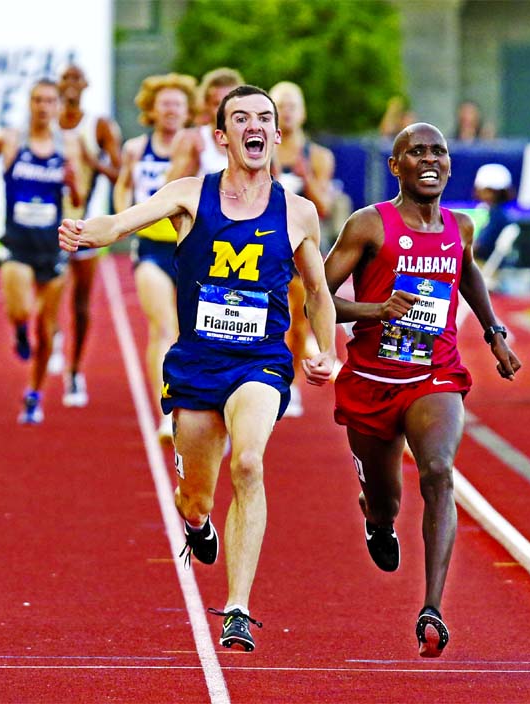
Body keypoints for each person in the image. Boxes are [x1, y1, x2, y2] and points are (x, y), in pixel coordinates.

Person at [59, 85, 337, 651]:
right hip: (196, 364)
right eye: (241, 118)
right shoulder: (191, 193)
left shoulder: (298, 211)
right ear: (222, 137)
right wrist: (95, 230)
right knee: (197, 498)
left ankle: (237, 606)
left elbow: (317, 290)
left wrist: (325, 351)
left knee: (252, 462)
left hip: (260, 362)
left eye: (264, 118)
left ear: (276, 136)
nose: (254, 126)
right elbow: (125, 222)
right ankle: (196, 525)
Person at [323, 122, 521, 658]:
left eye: (439, 151)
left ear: (450, 164)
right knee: (386, 501)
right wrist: (373, 310)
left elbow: (467, 273)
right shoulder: (369, 225)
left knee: (437, 470)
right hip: (371, 379)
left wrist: (494, 333)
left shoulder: (460, 226)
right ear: (397, 166)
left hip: (435, 373)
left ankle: (432, 606)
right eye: (417, 152)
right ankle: (377, 517)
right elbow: (317, 298)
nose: (429, 159)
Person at [0, 78, 83, 424]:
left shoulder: (67, 145)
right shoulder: (10, 140)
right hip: (17, 244)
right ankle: (18, 330)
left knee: (47, 327)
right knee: (21, 310)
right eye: (37, 99)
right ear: (30, 103)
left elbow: (78, 197)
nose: (42, 106)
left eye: (49, 101)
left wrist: (71, 182)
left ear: (57, 107)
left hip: (51, 248)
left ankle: (34, 395)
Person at [113, 73, 198, 440]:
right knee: (163, 329)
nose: (171, 111)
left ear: (187, 110)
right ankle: (165, 413)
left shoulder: (197, 147)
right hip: (151, 247)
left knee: (190, 334)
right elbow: (122, 187)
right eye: (164, 103)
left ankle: (198, 409)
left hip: (191, 248)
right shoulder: (136, 148)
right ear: (152, 108)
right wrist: (123, 222)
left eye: (178, 104)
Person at [55, 64, 123, 407]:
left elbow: (120, 174)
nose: (70, 84)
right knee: (44, 293)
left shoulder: (98, 126)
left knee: (80, 303)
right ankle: (50, 335)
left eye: (75, 78)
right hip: (47, 226)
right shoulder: (45, 124)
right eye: (64, 78)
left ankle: (74, 372)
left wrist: (90, 162)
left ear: (85, 85)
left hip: (83, 225)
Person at [270, 80, 336, 417]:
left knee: (296, 322)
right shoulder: (257, 149)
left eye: (293, 105)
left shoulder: (318, 156)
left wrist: (305, 175)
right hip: (263, 243)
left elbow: (324, 206)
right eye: (281, 104)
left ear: (303, 111)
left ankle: (290, 382)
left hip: (300, 248)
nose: (287, 111)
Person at [163, 67, 244, 181]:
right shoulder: (192, 141)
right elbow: (169, 191)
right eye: (217, 104)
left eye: (230, 102)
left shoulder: (257, 140)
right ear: (206, 105)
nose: (225, 110)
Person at [471, 162, 515, 263]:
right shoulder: (484, 212)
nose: (490, 195)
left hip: (488, 270)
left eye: (494, 192)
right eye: (487, 191)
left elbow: (479, 247)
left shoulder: (497, 216)